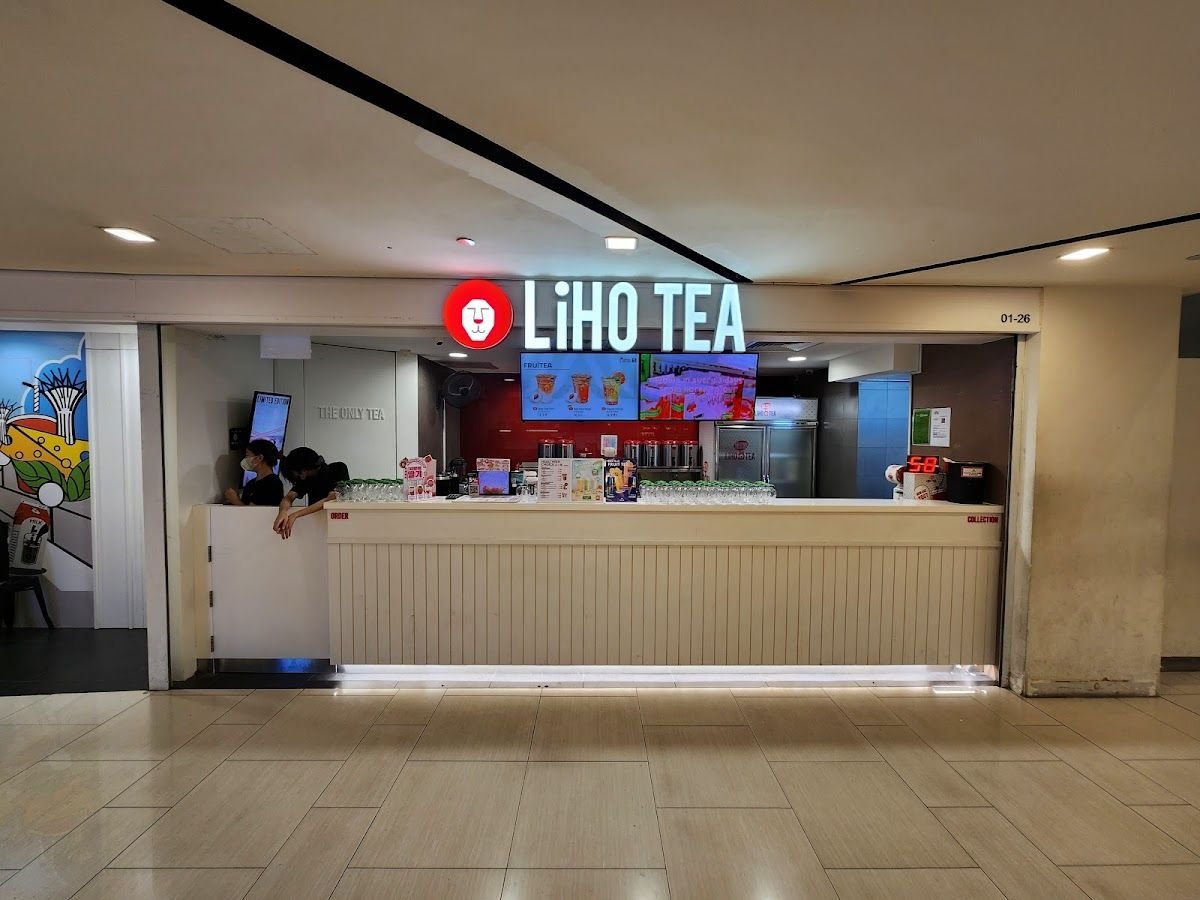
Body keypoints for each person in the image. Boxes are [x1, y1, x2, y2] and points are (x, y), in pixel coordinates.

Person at [274, 446, 349, 539]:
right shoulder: (307, 479)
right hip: (317, 527)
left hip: (340, 524)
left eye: (296, 474)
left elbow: (331, 498)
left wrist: (295, 515)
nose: (298, 478)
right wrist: (283, 512)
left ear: (303, 471)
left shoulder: (338, 469)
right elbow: (289, 497)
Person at [224, 439, 285, 508]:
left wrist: (235, 500)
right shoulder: (250, 484)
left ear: (260, 458)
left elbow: (255, 512)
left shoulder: (273, 483)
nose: (245, 459)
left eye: (247, 455)